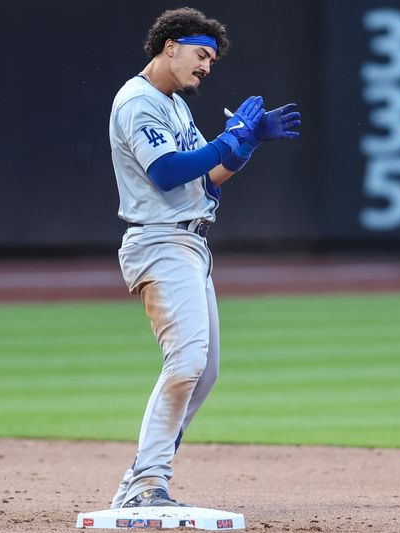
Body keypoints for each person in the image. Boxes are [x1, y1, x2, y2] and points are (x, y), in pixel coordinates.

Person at [108, 7, 301, 509]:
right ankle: (148, 484)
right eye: (201, 54)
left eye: (212, 59)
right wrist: (227, 139)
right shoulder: (138, 102)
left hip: (190, 244)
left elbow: (206, 179)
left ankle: (140, 481)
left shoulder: (174, 106)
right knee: (188, 359)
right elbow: (168, 173)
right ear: (169, 45)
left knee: (205, 370)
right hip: (160, 241)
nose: (207, 66)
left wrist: (245, 146)